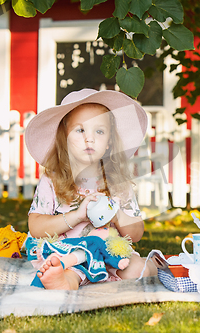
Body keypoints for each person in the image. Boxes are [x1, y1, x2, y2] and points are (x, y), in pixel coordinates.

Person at [24, 88, 156, 290]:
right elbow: (36, 226)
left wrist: (114, 213)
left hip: (107, 255)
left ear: (110, 142)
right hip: (66, 255)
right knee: (68, 272)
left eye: (99, 131)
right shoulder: (52, 180)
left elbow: (136, 233)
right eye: (80, 130)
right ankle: (63, 279)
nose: (89, 139)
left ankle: (95, 274)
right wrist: (76, 216)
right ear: (64, 138)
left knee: (141, 269)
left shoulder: (117, 183)